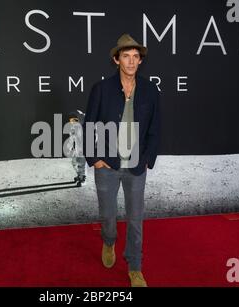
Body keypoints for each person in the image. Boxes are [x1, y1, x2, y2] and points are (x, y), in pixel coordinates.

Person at [82, 34, 160, 287]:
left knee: (136, 219)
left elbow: (155, 128)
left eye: (136, 56)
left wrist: (148, 158)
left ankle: (134, 267)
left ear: (140, 61)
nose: (131, 61)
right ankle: (108, 240)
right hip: (107, 165)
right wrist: (94, 158)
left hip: (136, 166)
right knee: (108, 215)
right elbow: (90, 126)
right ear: (117, 60)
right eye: (126, 56)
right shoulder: (101, 89)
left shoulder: (150, 90)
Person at [66, 110, 87, 186]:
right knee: (74, 162)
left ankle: (83, 179)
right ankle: (79, 175)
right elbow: (71, 137)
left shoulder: (87, 123)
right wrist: (69, 147)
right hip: (78, 147)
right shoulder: (74, 126)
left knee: (81, 163)